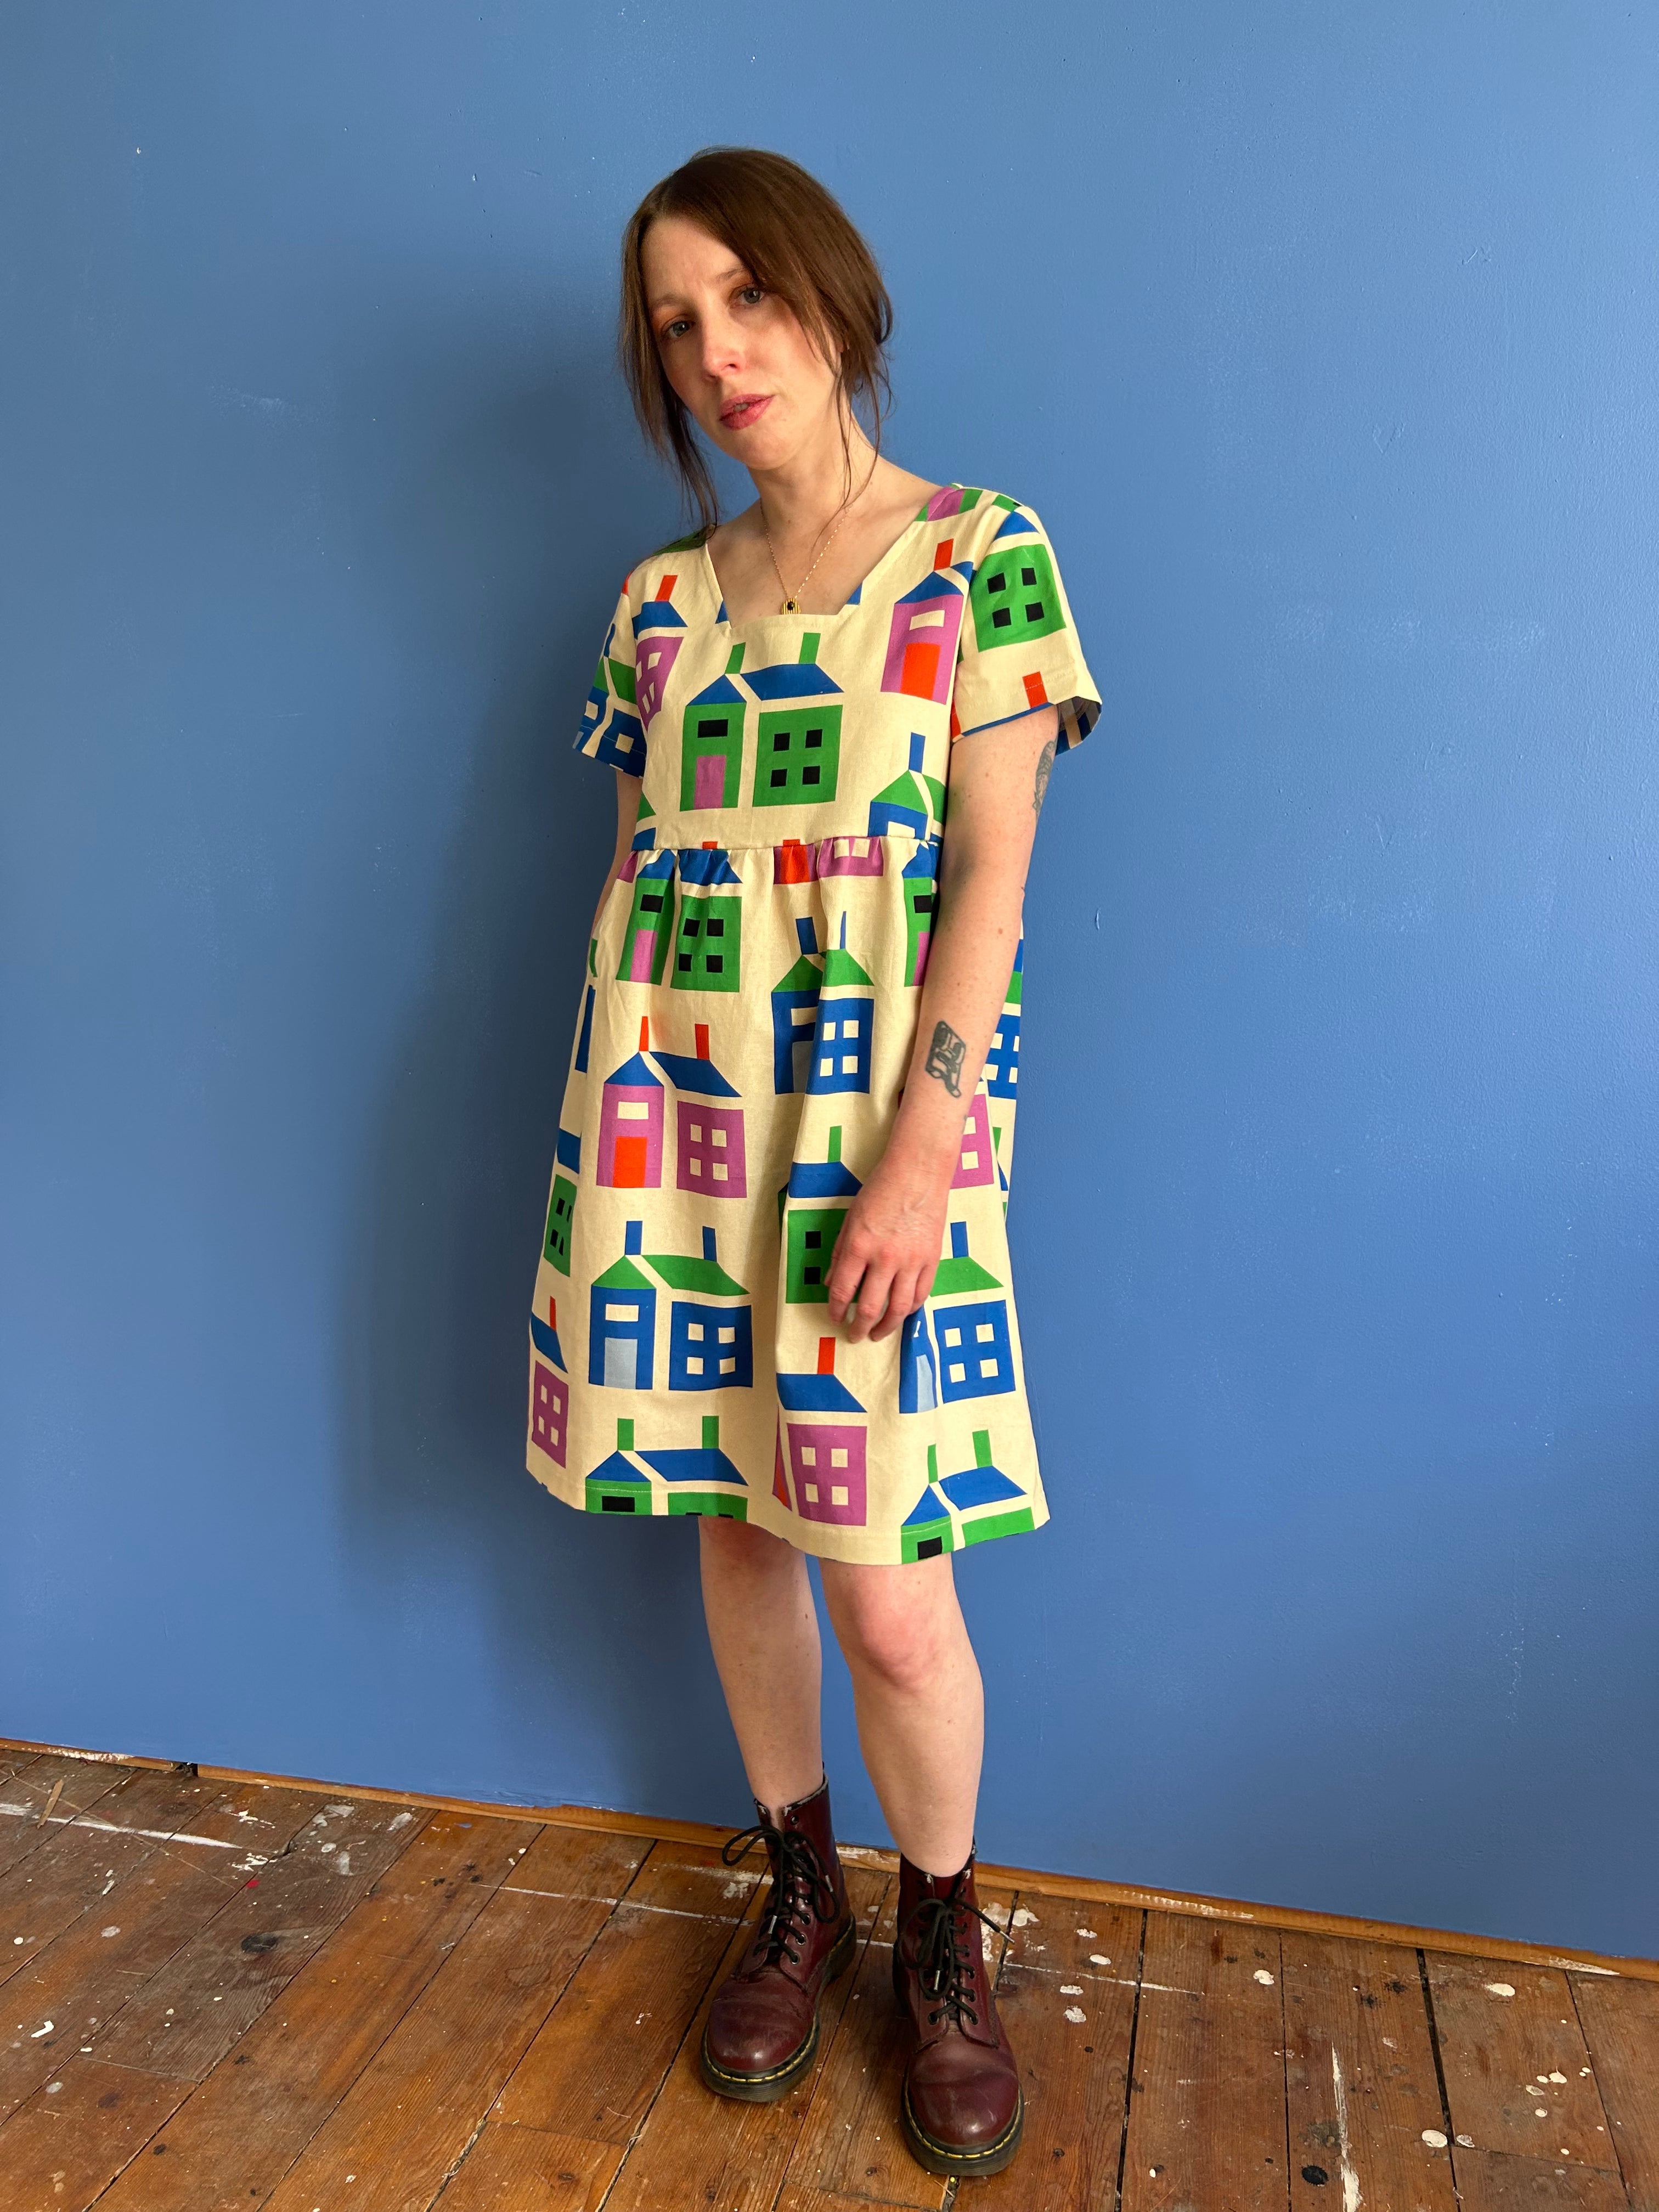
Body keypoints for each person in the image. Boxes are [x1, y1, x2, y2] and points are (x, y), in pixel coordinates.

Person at [526, 146, 1099, 2181]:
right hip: (671, 1137)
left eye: (746, 296)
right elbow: (642, 877)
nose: (718, 350)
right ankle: (801, 1888)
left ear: (831, 295)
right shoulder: (655, 608)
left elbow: (992, 888)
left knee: (894, 1598)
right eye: (677, 323)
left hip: (874, 1142)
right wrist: (623, 1137)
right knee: (736, 1525)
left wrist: (925, 1158)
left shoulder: (977, 555)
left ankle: (944, 1935)